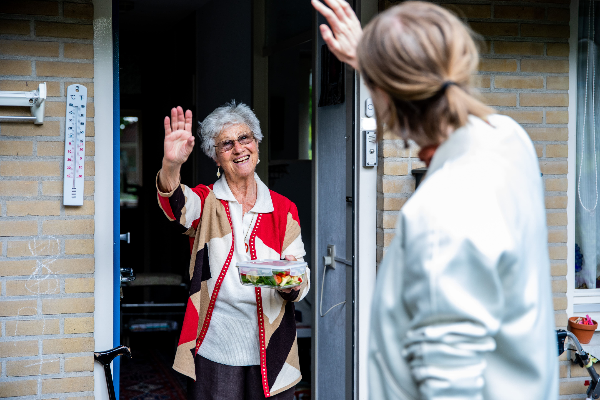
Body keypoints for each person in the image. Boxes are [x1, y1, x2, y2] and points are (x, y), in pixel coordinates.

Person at [312, 1, 557, 399]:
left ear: (388, 100)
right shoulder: (509, 138)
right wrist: (379, 68)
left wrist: (381, 77)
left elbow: (450, 389)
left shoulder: (443, 212)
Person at [156, 101, 310, 399]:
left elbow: (300, 278)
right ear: (215, 156)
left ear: (257, 144)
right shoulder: (207, 201)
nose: (239, 148)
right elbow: (176, 209)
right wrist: (171, 165)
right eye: (226, 144)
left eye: (245, 138)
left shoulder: (283, 209)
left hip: (273, 348)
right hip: (216, 344)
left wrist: (292, 283)